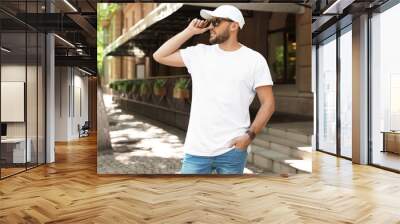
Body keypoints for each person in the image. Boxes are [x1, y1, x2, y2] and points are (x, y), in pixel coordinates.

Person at [153, 5, 275, 174]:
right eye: (210, 22)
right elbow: (159, 56)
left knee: (227, 200)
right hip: (197, 150)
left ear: (234, 26)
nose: (210, 26)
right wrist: (189, 31)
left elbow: (268, 103)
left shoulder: (254, 60)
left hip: (232, 150)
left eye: (216, 22)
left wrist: (249, 137)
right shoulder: (199, 54)